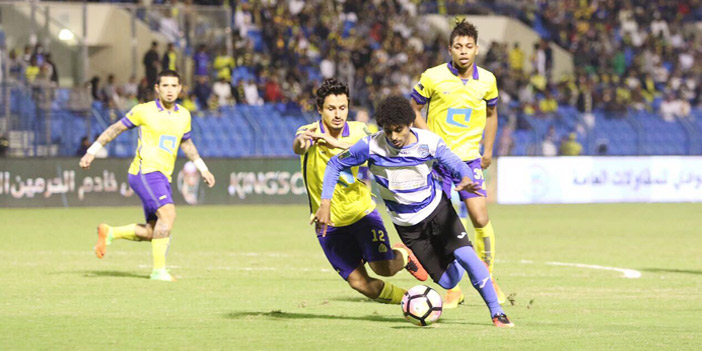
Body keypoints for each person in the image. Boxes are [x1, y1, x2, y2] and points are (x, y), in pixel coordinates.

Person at [314, 96, 513, 327]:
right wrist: (325, 202)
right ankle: (413, 254)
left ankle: (497, 313)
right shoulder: (371, 145)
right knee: (449, 281)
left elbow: (457, 164)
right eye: (388, 131)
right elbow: (335, 164)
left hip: (437, 209)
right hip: (407, 225)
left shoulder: (429, 142)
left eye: (398, 130)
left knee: (466, 255)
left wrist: (466, 177)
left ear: (410, 124)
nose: (394, 137)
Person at [292, 78, 427, 305]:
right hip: (329, 224)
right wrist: (303, 142)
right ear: (319, 109)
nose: (337, 114)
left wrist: (336, 144)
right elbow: (299, 146)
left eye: (342, 108)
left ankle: (403, 255)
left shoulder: (359, 131)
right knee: (360, 283)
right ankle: (411, 302)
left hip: (361, 214)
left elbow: (380, 147)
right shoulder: (309, 132)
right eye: (331, 108)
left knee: (384, 269)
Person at [79, 69, 215, 282]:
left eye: (174, 86)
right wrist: (92, 151)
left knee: (154, 231)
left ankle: (110, 232)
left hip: (163, 177)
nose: (169, 90)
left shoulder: (184, 115)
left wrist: (202, 168)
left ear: (180, 89)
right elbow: (116, 129)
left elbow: (186, 143)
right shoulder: (144, 111)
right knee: (168, 215)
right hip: (145, 172)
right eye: (165, 86)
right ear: (157, 88)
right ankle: (158, 271)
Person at [410, 19, 505, 307]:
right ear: (450, 49)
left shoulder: (487, 80)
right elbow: (412, 107)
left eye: (469, 46)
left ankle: (488, 274)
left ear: (477, 49)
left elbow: (492, 114)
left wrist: (487, 150)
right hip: (439, 161)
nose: (463, 51)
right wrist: (428, 138)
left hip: (470, 159)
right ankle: (454, 287)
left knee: (480, 217)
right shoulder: (432, 77)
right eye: (458, 46)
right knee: (448, 223)